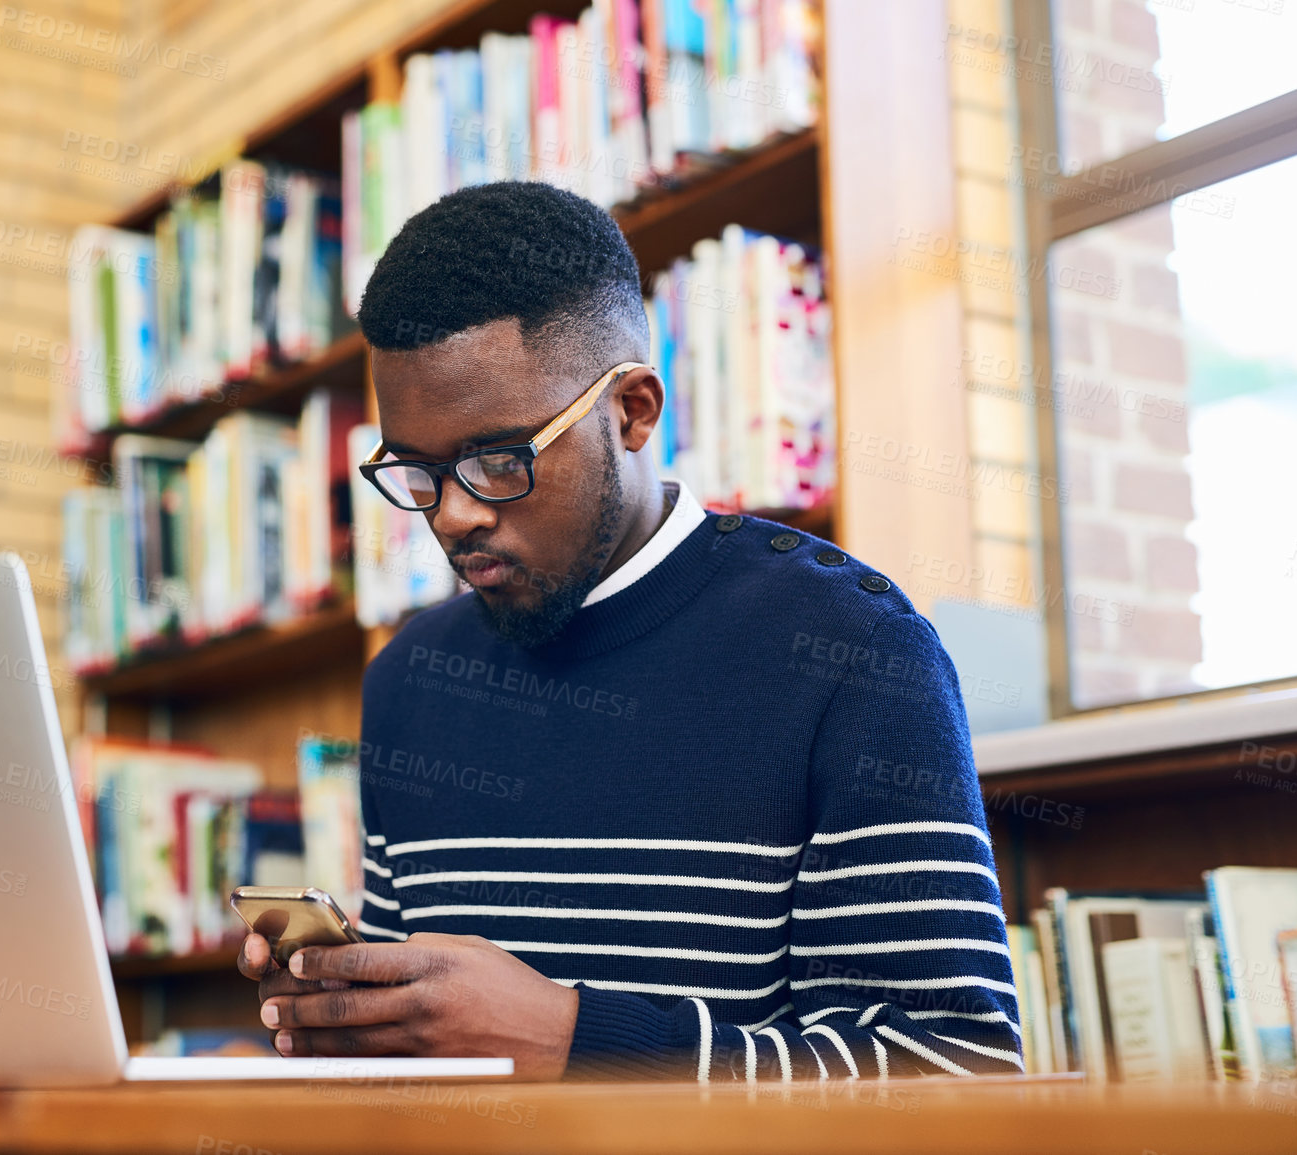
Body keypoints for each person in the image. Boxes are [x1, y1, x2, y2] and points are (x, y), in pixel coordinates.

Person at [237, 181, 1020, 1082]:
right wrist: (351, 1009)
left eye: (498, 460)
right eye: (415, 470)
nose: (451, 517)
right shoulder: (411, 677)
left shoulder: (852, 649)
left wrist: (573, 1040)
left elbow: (957, 1073)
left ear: (633, 411)